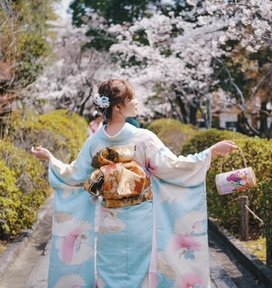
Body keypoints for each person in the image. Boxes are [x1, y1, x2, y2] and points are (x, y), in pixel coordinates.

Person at [31, 79, 238, 288]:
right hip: (142, 222)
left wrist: (52, 160)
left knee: (108, 272)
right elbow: (173, 167)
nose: (137, 101)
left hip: (108, 221)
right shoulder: (143, 139)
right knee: (142, 275)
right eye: (132, 98)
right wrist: (209, 153)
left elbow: (75, 175)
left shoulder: (94, 141)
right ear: (118, 107)